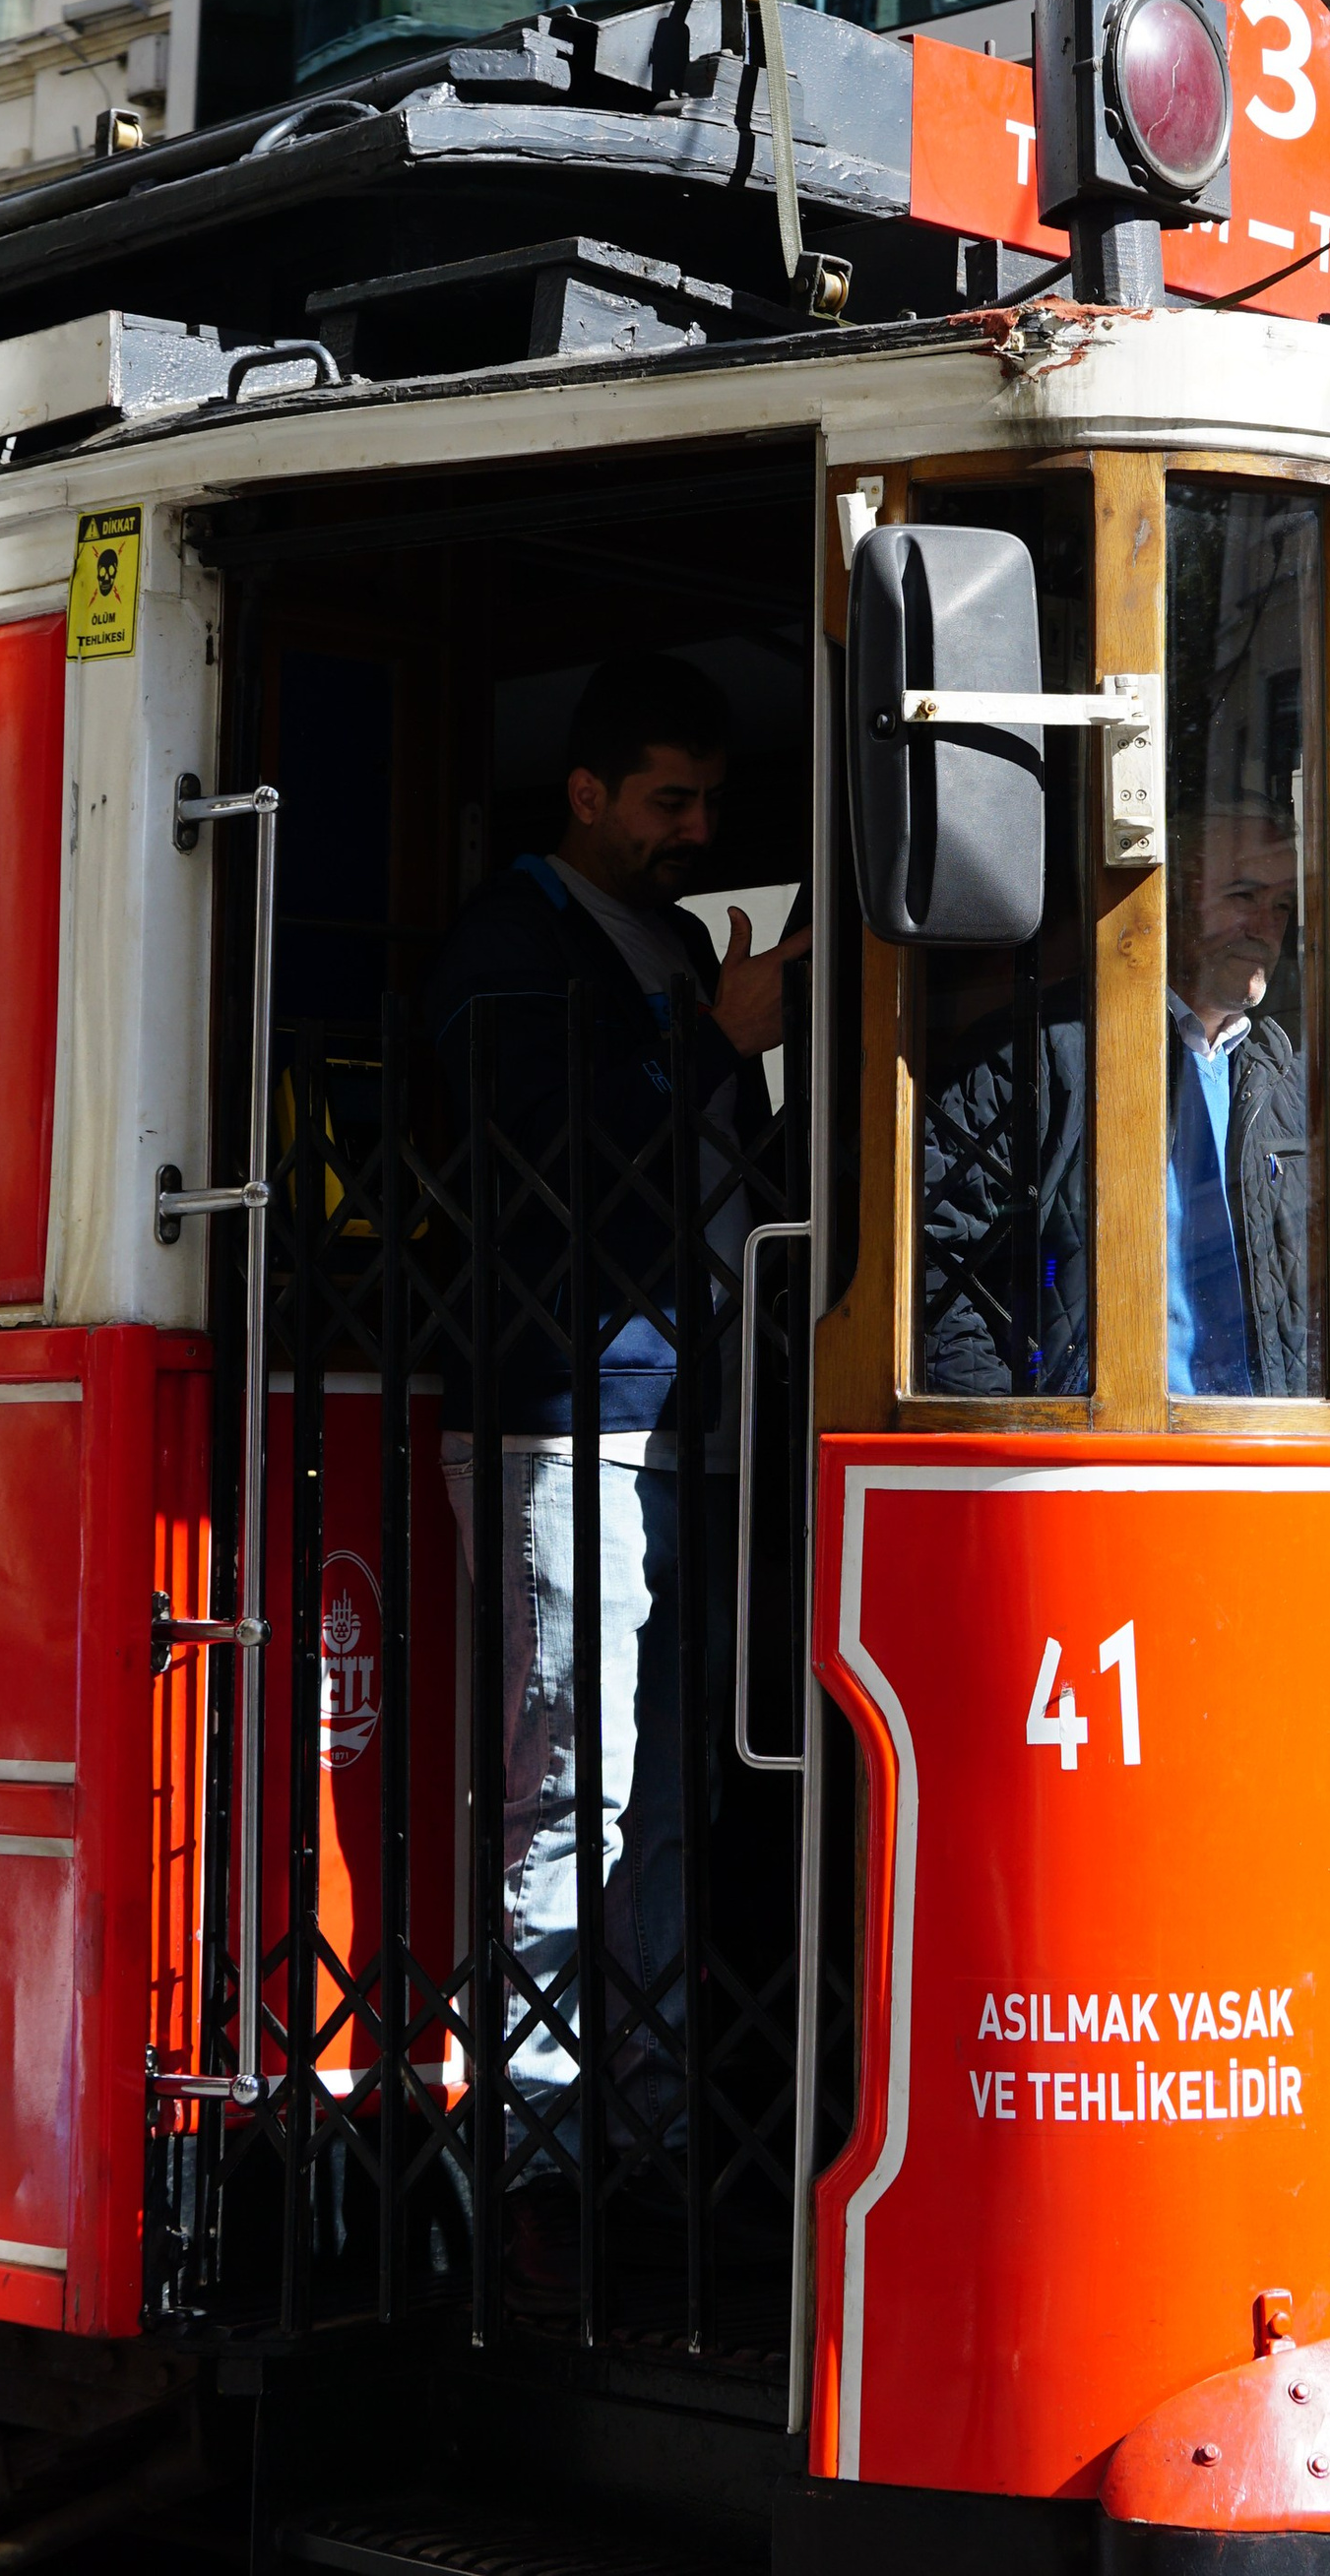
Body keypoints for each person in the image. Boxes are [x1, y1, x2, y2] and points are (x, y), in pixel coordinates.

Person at [423, 656, 806, 2281]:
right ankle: (534, 2144)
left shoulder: (658, 939)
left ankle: (636, 2131)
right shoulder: (509, 947)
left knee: (668, 1792)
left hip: (686, 1408)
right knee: (570, 1783)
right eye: (668, 801)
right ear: (584, 796)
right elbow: (551, 1170)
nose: (695, 829)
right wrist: (721, 1042)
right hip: (570, 1408)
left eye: (709, 802)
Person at [919, 804, 1330, 1394]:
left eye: (1282, 905)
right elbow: (934, 1273)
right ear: (1168, 899)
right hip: (1094, 1467)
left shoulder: (1283, 1081)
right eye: (1243, 896)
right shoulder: (1032, 1055)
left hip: (1259, 1451)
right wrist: (1018, 1443)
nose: (1266, 925)